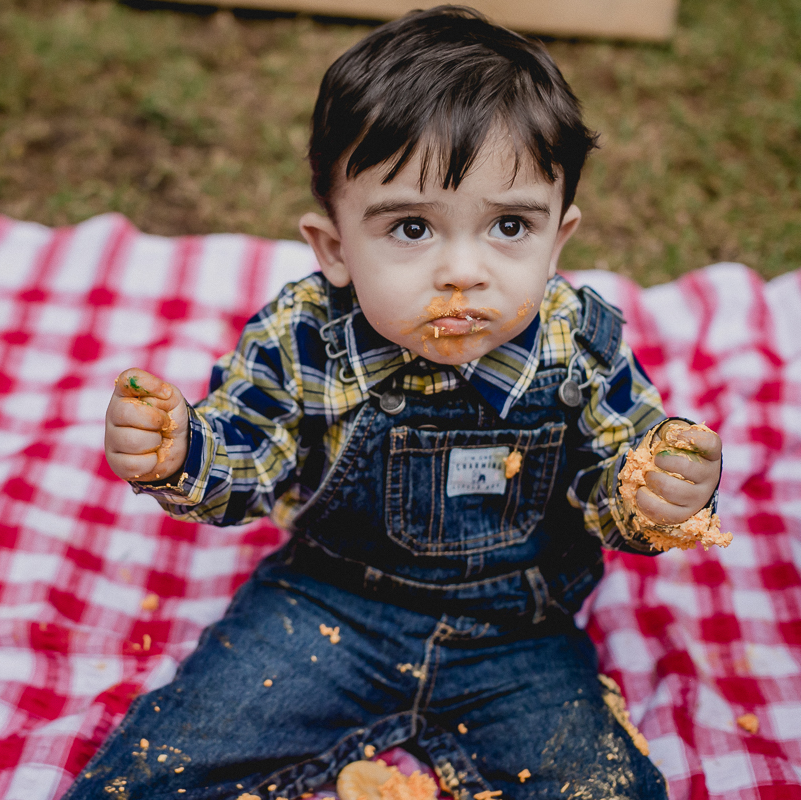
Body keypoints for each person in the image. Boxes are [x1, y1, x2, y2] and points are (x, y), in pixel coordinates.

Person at [67, 7, 722, 799]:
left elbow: (618, 474)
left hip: (517, 632)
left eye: (509, 225)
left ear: (558, 239)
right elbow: (247, 455)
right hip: (327, 607)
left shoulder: (579, 348)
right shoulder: (303, 335)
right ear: (336, 248)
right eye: (412, 228)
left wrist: (661, 492)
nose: (463, 273)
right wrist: (182, 452)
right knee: (154, 771)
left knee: (607, 789)